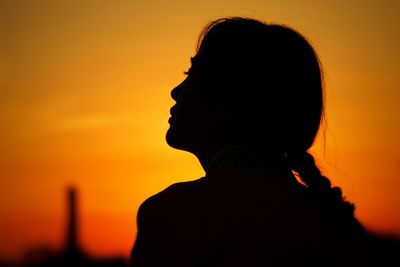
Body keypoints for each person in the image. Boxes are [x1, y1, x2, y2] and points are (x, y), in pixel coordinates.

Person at [130, 17, 374, 266]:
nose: (176, 91)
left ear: (231, 103)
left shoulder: (171, 217)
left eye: (192, 73)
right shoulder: (334, 223)